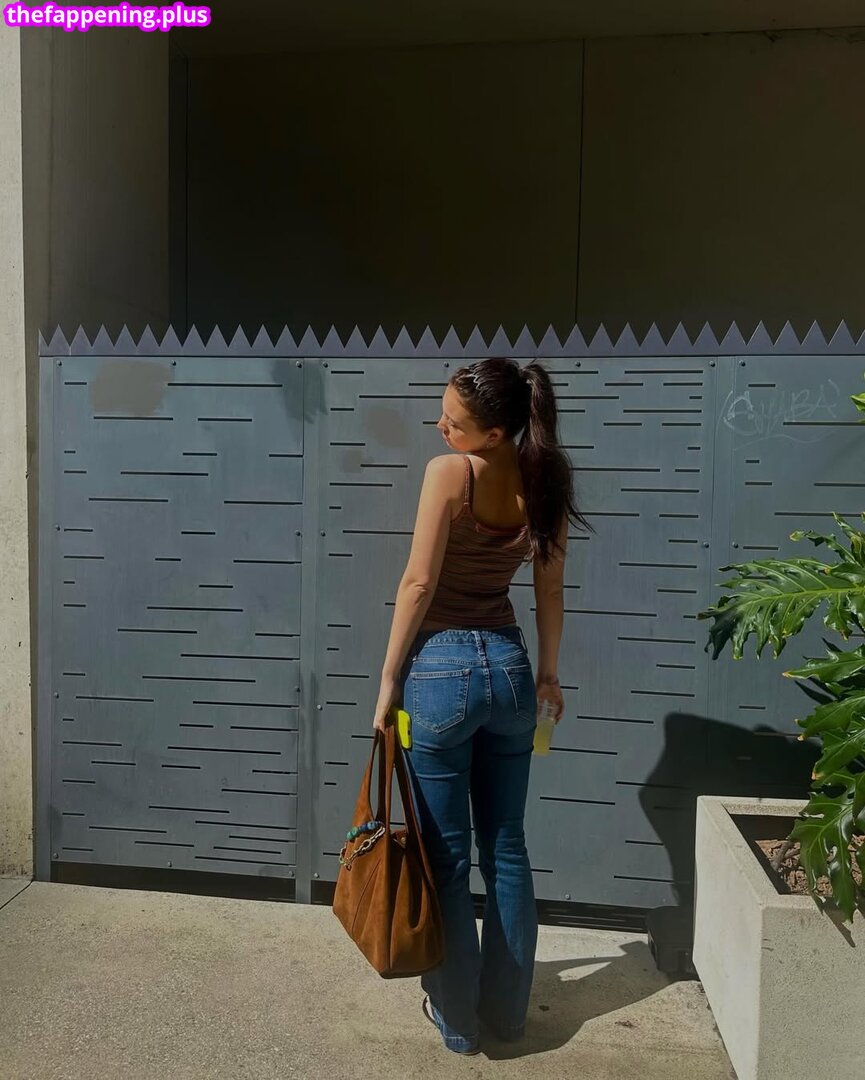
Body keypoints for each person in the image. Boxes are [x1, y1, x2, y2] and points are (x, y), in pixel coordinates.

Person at [372, 356, 593, 1055]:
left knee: (445, 857)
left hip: (440, 673)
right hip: (510, 671)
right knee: (506, 846)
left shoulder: (450, 474)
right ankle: (508, 1015)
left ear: (494, 432)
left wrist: (388, 681)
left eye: (454, 421)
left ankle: (460, 1024)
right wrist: (549, 675)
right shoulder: (544, 479)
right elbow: (550, 589)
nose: (440, 427)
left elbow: (417, 583)